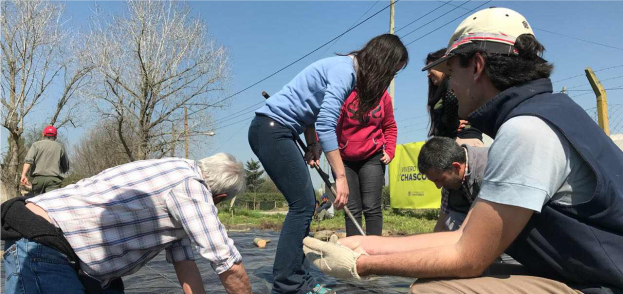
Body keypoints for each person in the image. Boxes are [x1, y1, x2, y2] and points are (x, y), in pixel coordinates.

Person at [302, 7, 623, 294]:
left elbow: (468, 257)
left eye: (453, 71)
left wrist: (361, 264)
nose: (449, 85)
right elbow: (465, 235)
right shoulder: (548, 112)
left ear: (477, 66)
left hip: (602, 283)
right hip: (587, 269)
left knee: (435, 291)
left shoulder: (526, 131)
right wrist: (372, 245)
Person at [248, 33, 408, 294]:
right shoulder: (345, 73)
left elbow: (311, 112)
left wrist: (312, 145)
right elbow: (326, 124)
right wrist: (340, 176)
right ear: (382, 63)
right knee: (303, 205)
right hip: (271, 130)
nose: (390, 79)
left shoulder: (346, 70)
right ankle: (289, 283)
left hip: (282, 130)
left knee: (305, 204)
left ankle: (299, 279)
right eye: (392, 71)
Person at [1, 153, 252, 294]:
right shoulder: (190, 188)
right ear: (217, 199)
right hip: (42, 242)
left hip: (74, 257)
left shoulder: (176, 174)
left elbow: (185, 265)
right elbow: (228, 264)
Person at [336, 89, 396, 236]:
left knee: (372, 207)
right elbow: (329, 125)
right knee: (352, 209)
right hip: (344, 158)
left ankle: (374, 254)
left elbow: (390, 126)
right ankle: (354, 253)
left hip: (373, 156)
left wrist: (389, 149)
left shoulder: (383, 96)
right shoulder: (343, 93)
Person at [417, 137, 488, 232]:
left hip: (504, 221)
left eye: (439, 180)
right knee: (452, 219)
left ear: (456, 167)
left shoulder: (488, 168)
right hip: (476, 219)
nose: (438, 186)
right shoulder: (448, 179)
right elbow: (441, 224)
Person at [425, 49, 484, 147]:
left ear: (443, 66)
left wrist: (453, 125)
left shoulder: (452, 82)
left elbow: (451, 100)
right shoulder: (442, 91)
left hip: (463, 140)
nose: (428, 74)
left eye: (430, 68)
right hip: (456, 142)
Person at [20, 125, 70, 196]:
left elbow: (28, 161)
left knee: (37, 203)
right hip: (53, 180)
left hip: (38, 180)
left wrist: (23, 175)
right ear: (55, 136)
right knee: (51, 203)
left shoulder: (36, 145)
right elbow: (65, 166)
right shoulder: (60, 147)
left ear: (43, 134)